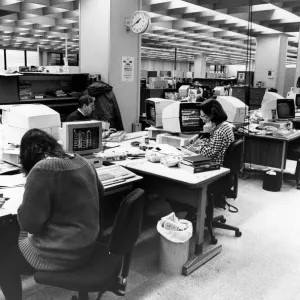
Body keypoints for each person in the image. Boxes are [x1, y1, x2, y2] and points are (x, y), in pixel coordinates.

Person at [0, 129, 104, 300]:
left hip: (61, 254)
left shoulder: (42, 170)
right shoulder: (84, 161)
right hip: (88, 243)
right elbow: (100, 193)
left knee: (3, 259)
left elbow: (29, 225)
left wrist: (25, 203)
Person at [187, 99, 234, 166]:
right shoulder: (225, 126)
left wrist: (206, 135)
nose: (203, 120)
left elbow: (207, 155)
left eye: (203, 117)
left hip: (216, 166)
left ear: (211, 116)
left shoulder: (219, 132)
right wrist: (199, 136)